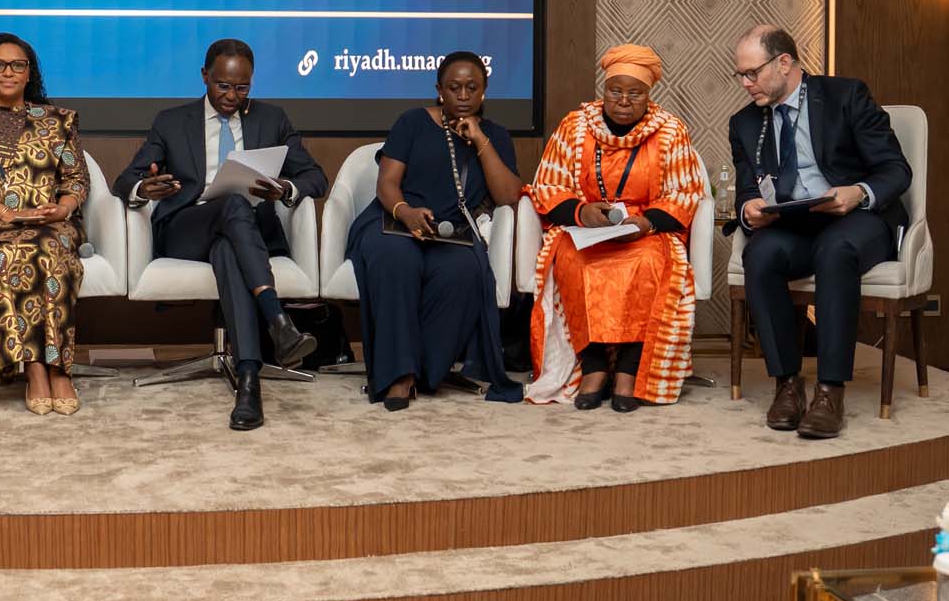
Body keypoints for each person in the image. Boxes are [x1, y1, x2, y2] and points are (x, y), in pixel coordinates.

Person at [114, 39, 327, 431]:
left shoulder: (272, 119)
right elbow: (126, 179)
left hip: (246, 233)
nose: (232, 96)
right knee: (232, 205)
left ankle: (248, 382)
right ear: (204, 77)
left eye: (242, 87)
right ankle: (276, 318)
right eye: (223, 86)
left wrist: (285, 188)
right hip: (187, 229)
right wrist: (145, 188)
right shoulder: (172, 121)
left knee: (229, 245)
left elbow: (315, 176)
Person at [727, 24, 910, 439]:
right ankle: (787, 384)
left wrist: (857, 192)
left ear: (784, 62)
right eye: (740, 75)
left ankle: (830, 391)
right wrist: (748, 209)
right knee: (760, 254)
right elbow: (747, 189)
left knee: (835, 248)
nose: (745, 83)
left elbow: (896, 170)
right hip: (796, 223)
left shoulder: (846, 96)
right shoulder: (744, 122)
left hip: (858, 219)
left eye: (752, 73)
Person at [525, 44, 705, 411]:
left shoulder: (670, 130)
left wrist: (647, 222)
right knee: (571, 260)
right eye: (615, 90)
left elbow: (685, 192)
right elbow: (548, 184)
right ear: (603, 90)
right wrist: (581, 212)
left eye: (634, 93)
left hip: (645, 230)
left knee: (648, 264)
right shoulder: (575, 125)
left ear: (648, 95)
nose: (623, 100)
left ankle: (628, 369)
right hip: (587, 227)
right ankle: (594, 368)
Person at [345, 52, 524, 409]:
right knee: (396, 258)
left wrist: (479, 139)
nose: (463, 95)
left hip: (449, 233)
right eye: (454, 87)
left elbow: (508, 196)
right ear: (439, 89)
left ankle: (426, 370)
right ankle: (398, 375)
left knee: (464, 270)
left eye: (472, 87)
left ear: (484, 91)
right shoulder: (412, 122)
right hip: (393, 220)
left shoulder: (495, 135)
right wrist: (406, 212)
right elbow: (386, 184)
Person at [0, 33, 89, 415]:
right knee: (8, 253)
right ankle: (35, 368)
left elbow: (76, 179)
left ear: (29, 73)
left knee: (48, 250)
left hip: (52, 223)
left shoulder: (58, 120)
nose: (8, 72)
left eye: (17, 65)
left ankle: (59, 369)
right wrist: (8, 215)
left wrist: (62, 209)